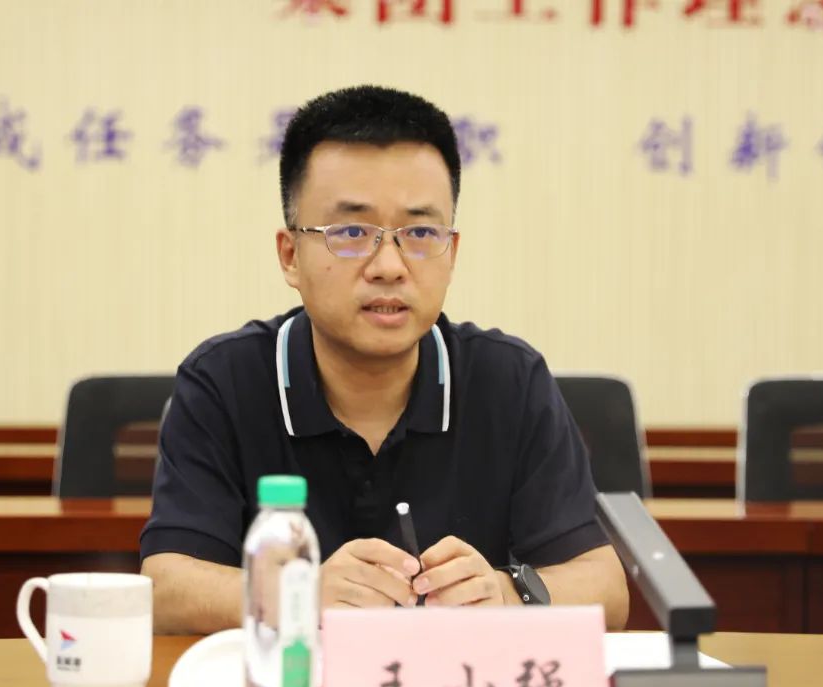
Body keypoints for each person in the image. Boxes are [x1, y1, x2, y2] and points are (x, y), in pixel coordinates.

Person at [140, 85, 629, 634]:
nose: (389, 266)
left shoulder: (509, 381)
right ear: (290, 255)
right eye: (352, 233)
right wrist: (297, 595)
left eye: (420, 233)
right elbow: (166, 586)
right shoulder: (224, 381)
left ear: (451, 253)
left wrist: (506, 594)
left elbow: (604, 587)